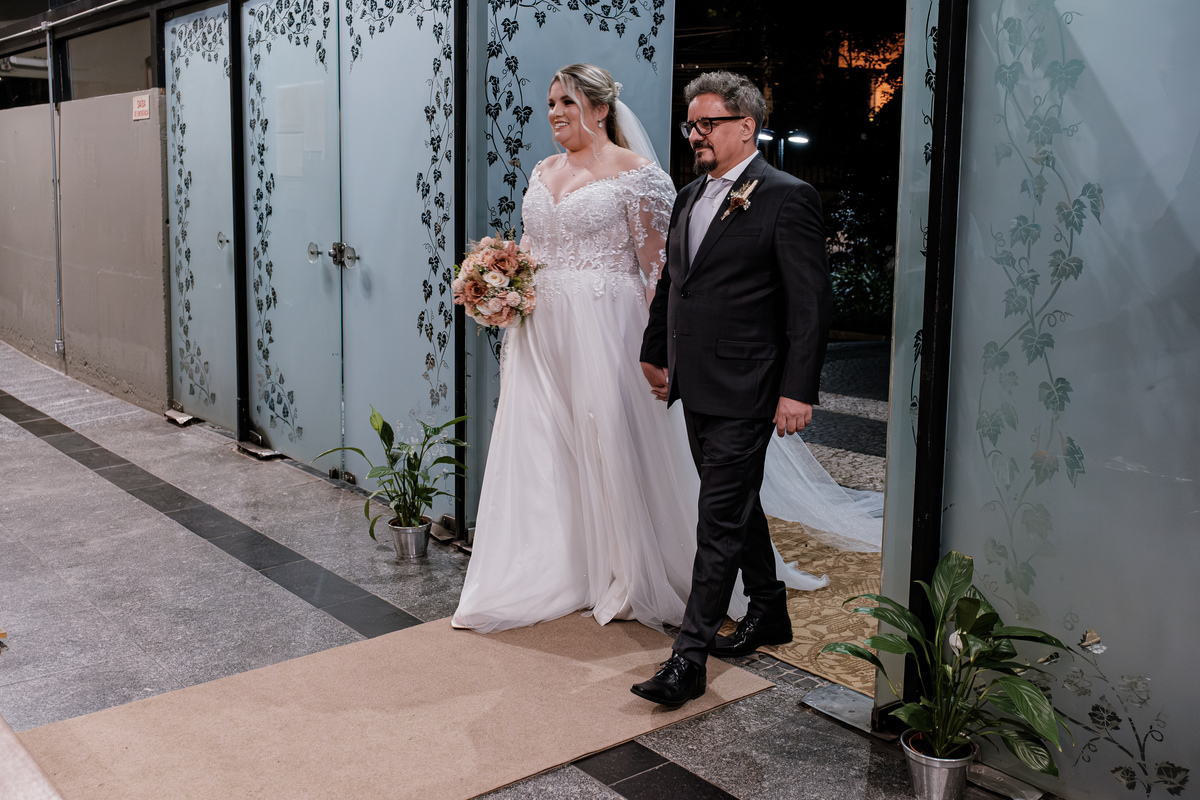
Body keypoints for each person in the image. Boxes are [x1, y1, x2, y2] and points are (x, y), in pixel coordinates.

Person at [631, 71, 833, 706]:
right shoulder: (690, 195)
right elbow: (675, 282)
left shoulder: (786, 196)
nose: (696, 135)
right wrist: (654, 350)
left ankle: (687, 661)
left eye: (708, 124)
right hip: (696, 383)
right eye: (692, 125)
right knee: (735, 504)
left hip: (749, 386)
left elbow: (811, 305)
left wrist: (797, 391)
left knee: (716, 521)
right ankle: (769, 609)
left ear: (747, 126)